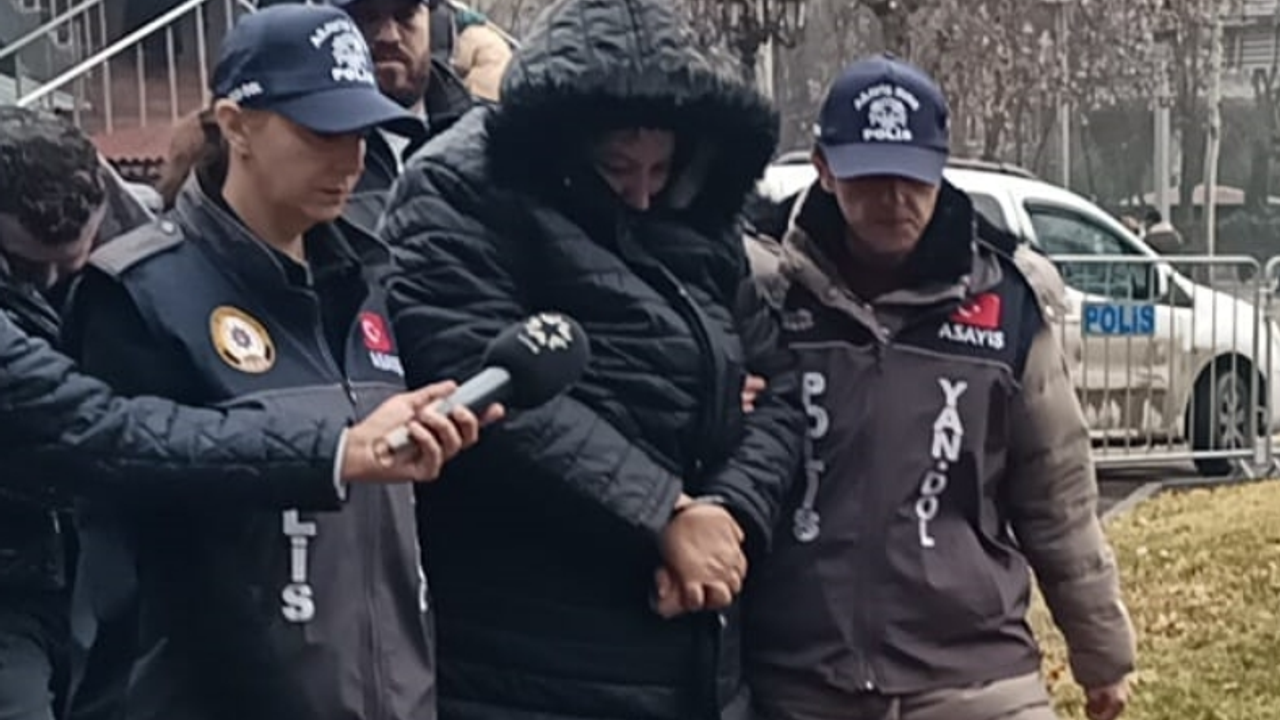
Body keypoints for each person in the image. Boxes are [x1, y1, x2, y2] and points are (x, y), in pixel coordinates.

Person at [64, 6, 497, 720]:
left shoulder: (371, 282)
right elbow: (153, 550)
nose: (350, 160)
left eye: (361, 132)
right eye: (322, 132)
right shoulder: (141, 293)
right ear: (236, 126)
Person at [378, 0, 805, 719]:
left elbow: (781, 387)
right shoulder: (460, 188)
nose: (642, 193)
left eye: (661, 168)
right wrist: (664, 512)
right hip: (527, 654)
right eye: (617, 168)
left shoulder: (698, 215)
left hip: (696, 643)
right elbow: (475, 376)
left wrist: (728, 515)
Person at [741, 55, 1135, 720]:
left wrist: (1103, 652)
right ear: (825, 169)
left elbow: (1057, 495)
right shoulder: (757, 290)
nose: (894, 198)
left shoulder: (1008, 304)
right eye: (871, 176)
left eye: (912, 176)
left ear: (941, 168)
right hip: (798, 678)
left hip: (975, 675)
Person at [329, 0, 476, 233]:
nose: (389, 37)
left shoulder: (481, 138)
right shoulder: (309, 150)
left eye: (405, 15)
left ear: (433, 23)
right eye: (369, 18)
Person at [450, 6, 512, 101]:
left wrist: (451, 64)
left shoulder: (469, 33)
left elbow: (463, 65)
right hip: (501, 91)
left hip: (481, 88)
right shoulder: (494, 36)